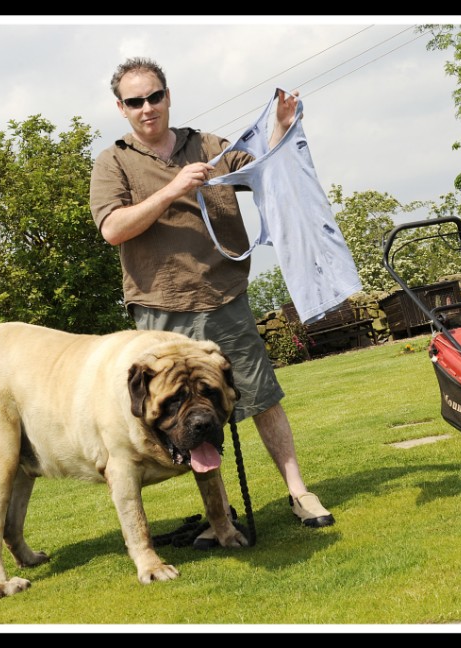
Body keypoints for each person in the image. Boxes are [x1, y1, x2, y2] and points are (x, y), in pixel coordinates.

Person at [89, 57, 335, 534]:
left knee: (262, 398)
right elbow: (113, 229)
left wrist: (281, 129)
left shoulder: (206, 144)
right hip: (160, 311)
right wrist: (172, 190)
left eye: (154, 96)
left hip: (224, 296)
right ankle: (219, 516)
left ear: (167, 95)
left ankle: (299, 492)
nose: (147, 108)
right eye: (135, 101)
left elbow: (263, 166)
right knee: (187, 415)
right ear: (121, 108)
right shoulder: (113, 161)